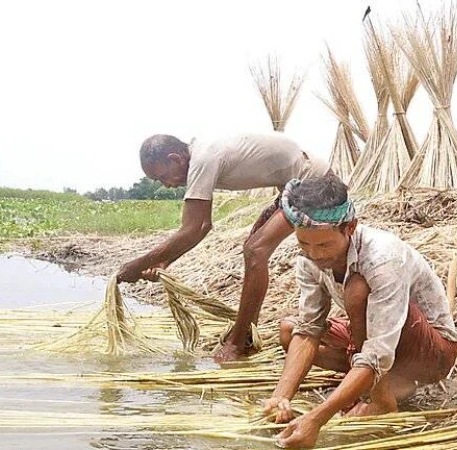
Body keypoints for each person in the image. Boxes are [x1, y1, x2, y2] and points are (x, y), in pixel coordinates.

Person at [262, 174, 457, 449]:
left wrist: (318, 419)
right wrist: (280, 397)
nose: (315, 254)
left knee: (356, 291)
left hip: (431, 354)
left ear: (350, 228)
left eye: (323, 245)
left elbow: (377, 352)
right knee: (290, 331)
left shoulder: (382, 259)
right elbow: (309, 329)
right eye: (304, 244)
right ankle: (390, 383)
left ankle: (381, 401)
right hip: (381, 346)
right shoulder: (309, 259)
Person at [116, 132, 331, 361]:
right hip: (294, 186)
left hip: (314, 183)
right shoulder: (201, 154)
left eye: (163, 177)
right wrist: (164, 261)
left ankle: (239, 343)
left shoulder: (202, 159)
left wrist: (136, 265)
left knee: (255, 251)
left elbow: (192, 227)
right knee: (253, 245)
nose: (166, 186)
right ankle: (246, 333)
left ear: (176, 159)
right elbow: (203, 226)